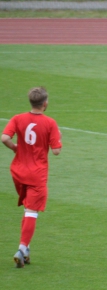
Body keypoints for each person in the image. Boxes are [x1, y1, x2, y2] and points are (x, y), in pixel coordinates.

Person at [2, 87, 62, 268]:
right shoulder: (50, 123)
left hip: (18, 172)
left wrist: (14, 147)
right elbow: (57, 151)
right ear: (45, 103)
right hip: (37, 174)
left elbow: (4, 138)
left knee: (28, 208)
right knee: (32, 211)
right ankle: (21, 250)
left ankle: (26, 249)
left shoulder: (17, 118)